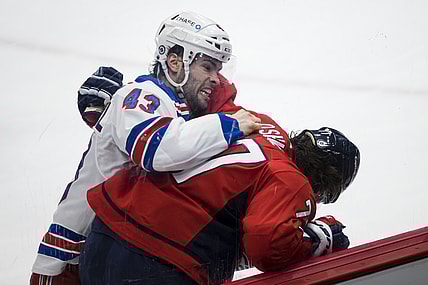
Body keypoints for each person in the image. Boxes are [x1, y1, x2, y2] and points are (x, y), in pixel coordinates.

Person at [30, 11, 262, 285]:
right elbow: (155, 149)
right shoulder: (141, 95)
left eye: (219, 70)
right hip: (72, 260)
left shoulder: (179, 112)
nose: (216, 78)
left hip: (112, 248)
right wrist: (228, 125)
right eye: (207, 67)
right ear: (175, 61)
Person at [79, 105, 360, 284]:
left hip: (103, 235)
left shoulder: (259, 121)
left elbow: (213, 100)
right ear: (324, 181)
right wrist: (316, 239)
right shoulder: (292, 181)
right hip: (159, 262)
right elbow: (267, 242)